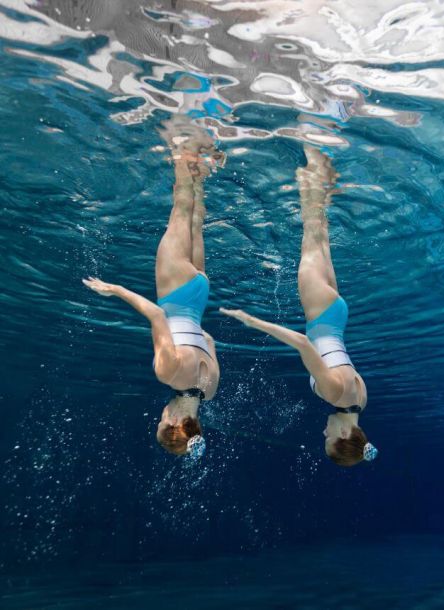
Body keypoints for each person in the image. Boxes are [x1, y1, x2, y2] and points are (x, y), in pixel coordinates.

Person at [221, 146, 377, 466]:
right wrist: (254, 322)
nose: (324, 433)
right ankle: (313, 154)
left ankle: (324, 177)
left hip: (336, 316)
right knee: (310, 234)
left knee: (320, 237)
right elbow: (304, 344)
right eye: (330, 439)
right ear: (345, 436)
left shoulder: (360, 401)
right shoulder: (336, 395)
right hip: (320, 314)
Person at [83, 119, 223, 456]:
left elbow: (208, 339)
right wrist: (114, 289)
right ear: (174, 423)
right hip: (176, 293)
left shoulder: (210, 389)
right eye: (161, 423)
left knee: (195, 220)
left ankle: (202, 167)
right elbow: (158, 316)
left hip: (199, 294)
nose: (159, 416)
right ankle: (186, 140)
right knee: (180, 210)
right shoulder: (169, 374)